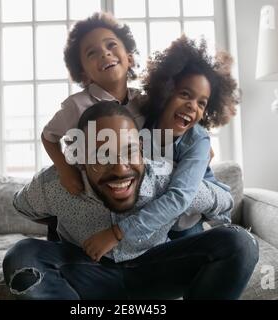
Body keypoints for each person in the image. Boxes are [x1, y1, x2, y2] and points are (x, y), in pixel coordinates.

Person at [3, 101, 259, 300]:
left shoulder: (164, 178)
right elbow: (21, 205)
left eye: (129, 151)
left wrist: (195, 175)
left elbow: (225, 201)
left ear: (141, 148)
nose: (120, 168)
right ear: (80, 158)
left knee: (239, 242)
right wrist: (60, 221)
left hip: (155, 269)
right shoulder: (55, 183)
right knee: (22, 254)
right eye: (102, 155)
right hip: (87, 271)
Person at [83, 36, 240, 260]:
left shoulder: (198, 140)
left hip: (186, 221)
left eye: (202, 103)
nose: (192, 106)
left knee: (184, 269)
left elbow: (179, 197)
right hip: (152, 217)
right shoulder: (140, 122)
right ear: (166, 90)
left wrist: (117, 233)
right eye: (185, 94)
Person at [41, 12, 145, 195]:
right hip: (90, 191)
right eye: (92, 53)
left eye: (111, 45)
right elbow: (48, 137)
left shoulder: (143, 101)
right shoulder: (76, 106)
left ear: (129, 58)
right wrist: (65, 171)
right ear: (83, 74)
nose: (105, 53)